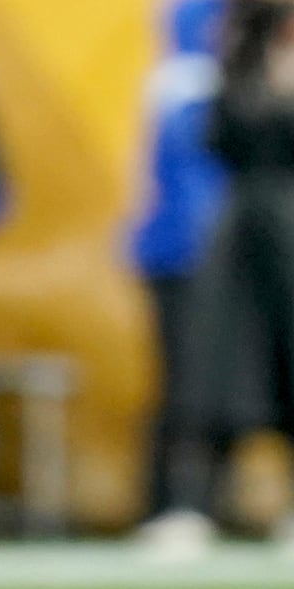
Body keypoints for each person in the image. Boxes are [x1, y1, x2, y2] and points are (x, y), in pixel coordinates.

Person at [151, 0, 294, 550]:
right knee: (219, 367)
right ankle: (192, 504)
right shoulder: (237, 49)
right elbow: (218, 137)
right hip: (243, 230)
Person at [131, 0, 230, 554]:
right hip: (194, 253)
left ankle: (189, 503)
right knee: (191, 383)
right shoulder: (188, 76)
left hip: (209, 248)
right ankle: (182, 502)